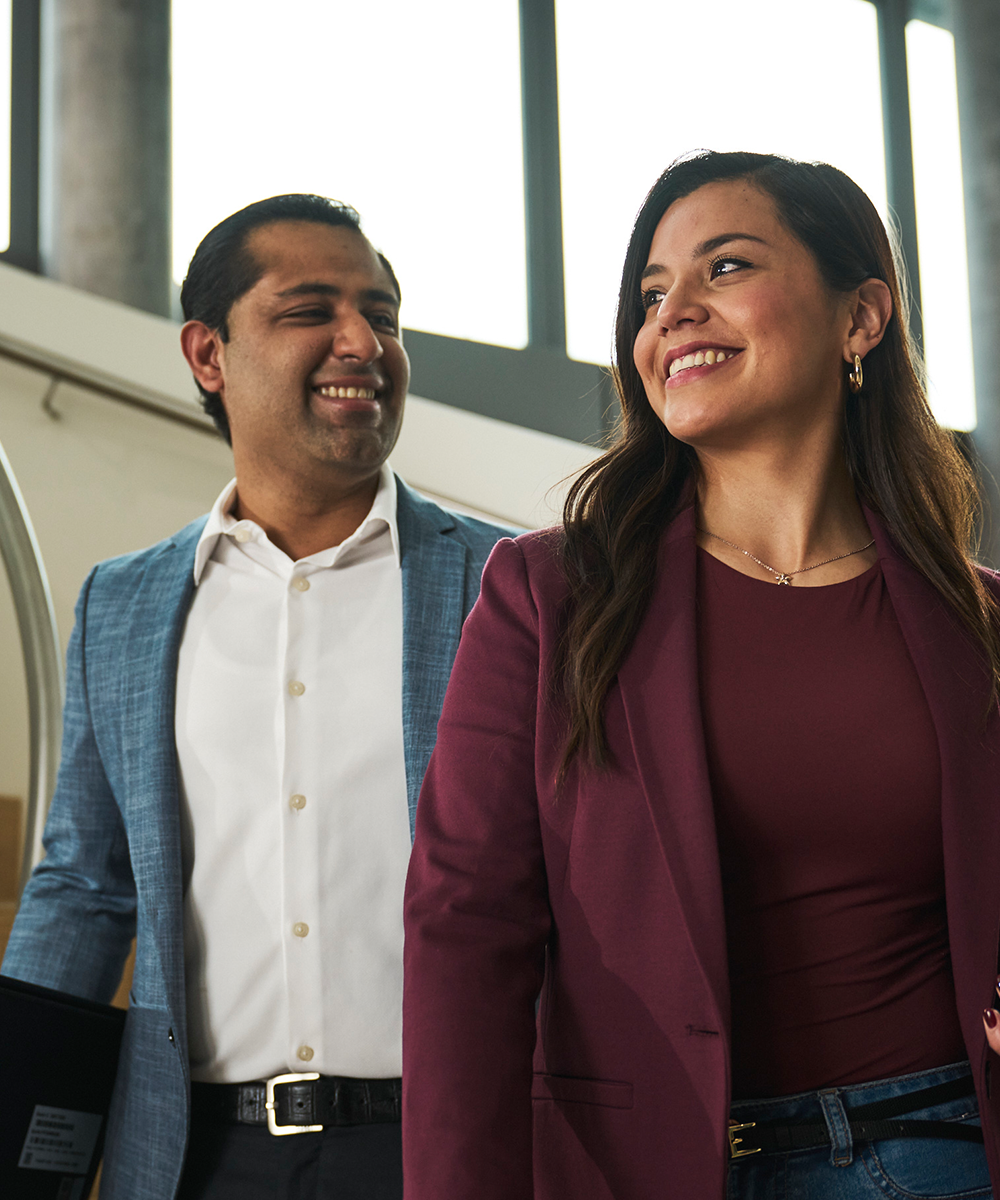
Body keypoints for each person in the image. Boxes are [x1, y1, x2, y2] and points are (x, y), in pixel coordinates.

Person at [401, 151, 1000, 1199]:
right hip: (649, 1170)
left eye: (722, 267)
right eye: (649, 292)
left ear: (861, 320)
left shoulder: (980, 617)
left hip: (943, 1152)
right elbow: (465, 931)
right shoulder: (548, 595)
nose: (671, 311)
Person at [2, 194, 510, 1200]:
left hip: (449, 1146)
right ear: (208, 354)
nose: (363, 341)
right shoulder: (126, 604)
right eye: (310, 308)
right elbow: (85, 886)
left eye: (385, 314)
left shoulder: (511, 586)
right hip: (198, 1158)